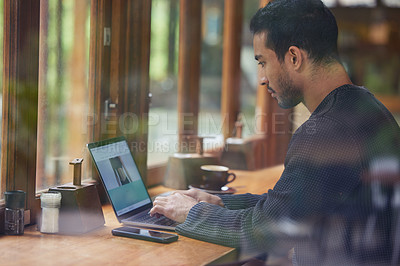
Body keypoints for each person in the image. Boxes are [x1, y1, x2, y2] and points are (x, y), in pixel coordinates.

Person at [150, 0, 400, 264]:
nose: (261, 78)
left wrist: (192, 212)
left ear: (294, 57)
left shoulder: (326, 131)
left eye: (263, 62)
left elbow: (264, 231)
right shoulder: (367, 107)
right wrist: (221, 202)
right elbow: (291, 205)